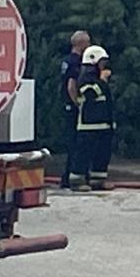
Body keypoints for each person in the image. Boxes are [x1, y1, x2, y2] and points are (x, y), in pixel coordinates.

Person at [67, 45, 115, 192]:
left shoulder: (98, 78)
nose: (104, 66)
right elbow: (89, 94)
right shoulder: (85, 78)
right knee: (83, 153)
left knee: (102, 153)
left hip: (104, 123)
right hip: (88, 124)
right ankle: (77, 180)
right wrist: (102, 81)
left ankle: (98, 179)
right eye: (101, 62)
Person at [59, 30, 90, 189]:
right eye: (88, 42)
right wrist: (78, 102)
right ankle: (71, 176)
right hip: (73, 107)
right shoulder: (76, 62)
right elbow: (71, 85)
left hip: (66, 105)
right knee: (76, 142)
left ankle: (67, 177)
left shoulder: (66, 60)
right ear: (81, 43)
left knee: (71, 142)